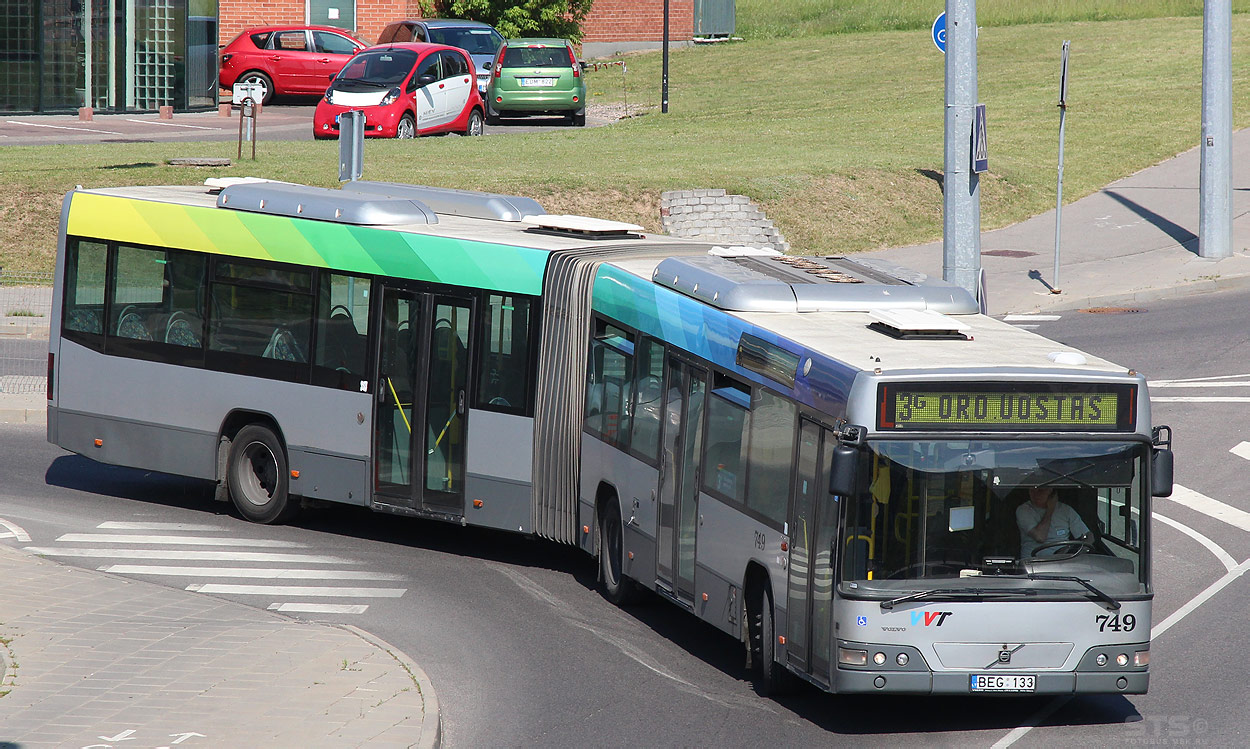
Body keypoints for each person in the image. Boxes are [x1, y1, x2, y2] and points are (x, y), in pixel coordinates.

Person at [1017, 486, 1089, 557]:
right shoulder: (1024, 510)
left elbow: (1087, 535)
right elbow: (1040, 537)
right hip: (1034, 561)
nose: (1035, 494)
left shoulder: (1066, 510)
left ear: (1050, 491)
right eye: (1032, 491)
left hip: (1063, 559)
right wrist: (1050, 509)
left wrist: (1081, 549)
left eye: (1040, 491)